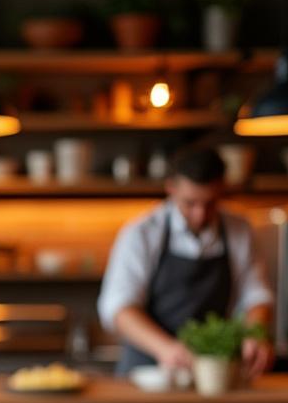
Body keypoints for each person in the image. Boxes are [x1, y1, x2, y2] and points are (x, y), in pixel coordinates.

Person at [98, 147, 274, 378]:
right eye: (190, 203)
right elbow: (119, 308)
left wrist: (255, 333)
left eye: (210, 204)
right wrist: (166, 348)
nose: (200, 215)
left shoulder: (239, 231)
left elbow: (256, 296)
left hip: (214, 370)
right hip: (147, 373)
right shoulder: (142, 233)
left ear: (222, 189)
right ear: (171, 188)